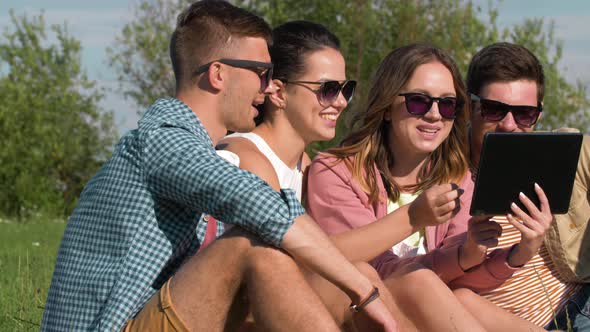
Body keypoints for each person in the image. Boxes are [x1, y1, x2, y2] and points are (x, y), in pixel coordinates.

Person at [41, 2, 396, 331]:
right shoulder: (164, 142)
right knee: (249, 245)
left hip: (155, 315)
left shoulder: (191, 147)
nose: (268, 85)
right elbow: (264, 207)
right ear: (218, 74)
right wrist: (363, 291)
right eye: (261, 71)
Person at [306, 43, 543, 331]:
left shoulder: (458, 178)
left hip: (420, 313)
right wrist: (415, 219)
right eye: (418, 101)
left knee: (464, 298)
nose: (434, 115)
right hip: (356, 310)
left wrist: (515, 253)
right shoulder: (335, 171)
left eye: (447, 105)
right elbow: (350, 265)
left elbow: (456, 284)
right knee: (415, 278)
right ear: (388, 107)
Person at [451, 42, 590, 331]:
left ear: (539, 113)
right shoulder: (443, 178)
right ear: (470, 105)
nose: (509, 125)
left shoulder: (561, 155)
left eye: (524, 114)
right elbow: (440, 286)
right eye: (493, 110)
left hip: (582, 301)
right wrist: (520, 252)